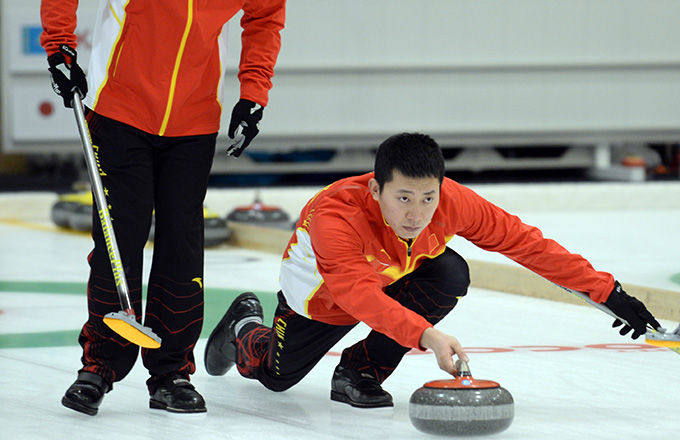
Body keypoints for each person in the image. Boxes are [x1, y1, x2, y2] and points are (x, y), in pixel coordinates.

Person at [204, 132, 662, 408]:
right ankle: (245, 325)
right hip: (322, 300)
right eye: (403, 197)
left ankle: (359, 371)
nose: (417, 213)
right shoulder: (335, 217)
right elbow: (357, 296)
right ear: (376, 189)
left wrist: (607, 292)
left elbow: (525, 243)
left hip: (392, 277)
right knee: (275, 378)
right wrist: (427, 336)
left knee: (449, 273)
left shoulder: (452, 202)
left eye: (428, 198)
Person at [40, 0, 286, 415]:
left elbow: (266, 15)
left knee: (182, 246)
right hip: (118, 105)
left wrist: (254, 93)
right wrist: (59, 46)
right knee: (119, 239)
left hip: (194, 116)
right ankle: (99, 366)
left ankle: (172, 373)